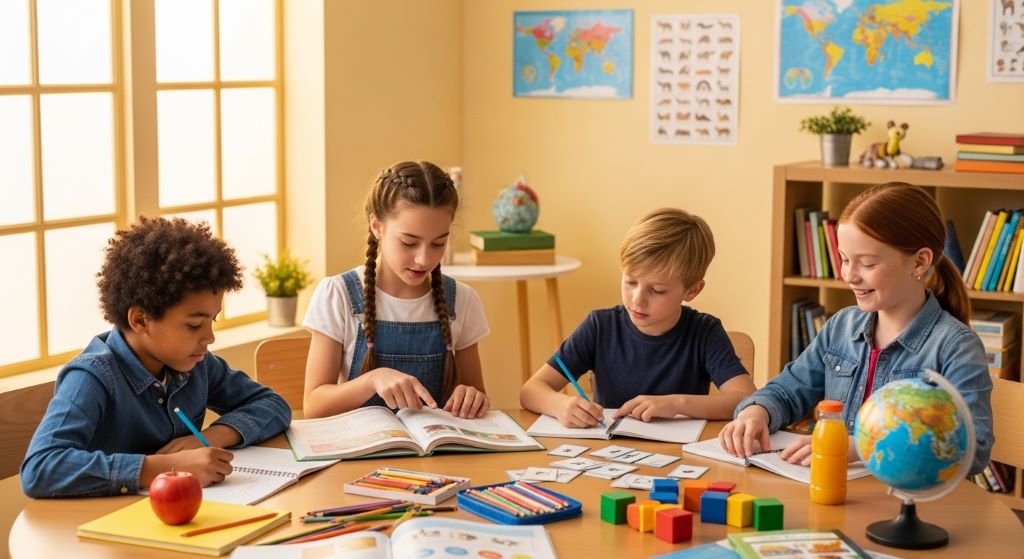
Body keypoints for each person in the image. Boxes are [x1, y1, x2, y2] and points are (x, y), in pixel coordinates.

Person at [720, 183, 993, 475]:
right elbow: (787, 391)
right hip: (835, 489)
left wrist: (860, 447)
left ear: (920, 261)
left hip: (911, 503)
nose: (848, 275)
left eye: (867, 263)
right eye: (845, 259)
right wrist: (756, 412)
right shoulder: (840, 327)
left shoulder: (956, 346)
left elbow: (974, 449)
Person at [21, 217, 292, 498]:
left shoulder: (196, 364)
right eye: (194, 325)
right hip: (106, 528)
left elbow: (272, 404)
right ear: (140, 319)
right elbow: (40, 469)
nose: (209, 337)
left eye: (213, 320)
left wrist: (212, 437)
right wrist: (162, 466)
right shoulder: (92, 378)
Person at [519, 208, 756, 427]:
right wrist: (561, 405)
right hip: (608, 456)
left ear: (692, 290)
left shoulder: (704, 332)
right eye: (630, 281)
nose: (637, 299)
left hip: (678, 458)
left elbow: (745, 399)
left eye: (657, 290)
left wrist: (676, 404)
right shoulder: (600, 327)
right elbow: (530, 391)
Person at [303, 161, 490, 419]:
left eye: (438, 243)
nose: (424, 259)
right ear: (377, 227)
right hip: (361, 455)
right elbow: (314, 406)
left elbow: (477, 393)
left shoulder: (462, 300)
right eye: (409, 242)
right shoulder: (338, 294)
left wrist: (472, 398)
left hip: (438, 455)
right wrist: (372, 380)